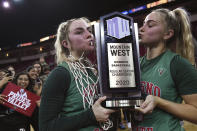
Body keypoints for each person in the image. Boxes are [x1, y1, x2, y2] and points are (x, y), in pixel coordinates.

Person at [39, 17, 115, 131]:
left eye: (89, 30)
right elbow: (46, 127)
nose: (89, 35)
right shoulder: (60, 74)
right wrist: (91, 116)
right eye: (79, 32)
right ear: (66, 43)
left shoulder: (94, 71)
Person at [135, 7, 197, 131]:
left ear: (168, 34)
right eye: (143, 24)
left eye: (150, 25)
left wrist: (159, 102)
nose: (141, 29)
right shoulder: (135, 65)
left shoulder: (177, 64)